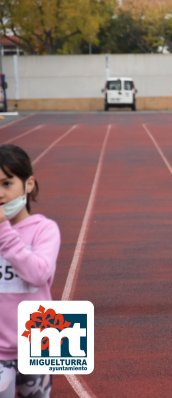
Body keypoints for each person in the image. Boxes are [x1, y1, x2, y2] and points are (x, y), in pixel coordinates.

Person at [0, 144, 59, 398]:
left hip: (38, 341)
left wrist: (4, 231)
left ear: (29, 184)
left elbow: (37, 273)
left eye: (6, 184)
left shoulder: (44, 230)